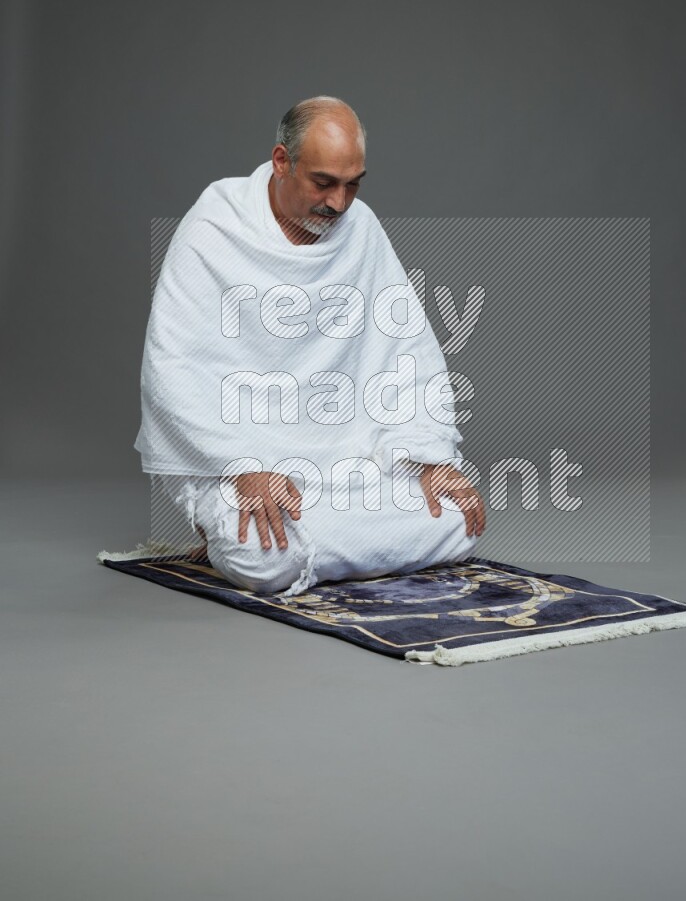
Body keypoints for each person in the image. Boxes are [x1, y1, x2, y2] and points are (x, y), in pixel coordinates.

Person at [135, 96, 485, 597]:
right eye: (323, 183)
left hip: (351, 458)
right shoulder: (215, 224)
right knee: (262, 559)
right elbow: (173, 367)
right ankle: (330, 543)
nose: (339, 203)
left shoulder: (362, 228)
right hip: (245, 460)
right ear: (282, 161)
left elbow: (407, 351)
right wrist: (243, 466)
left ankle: (321, 545)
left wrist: (431, 458)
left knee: (457, 517)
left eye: (353, 184)